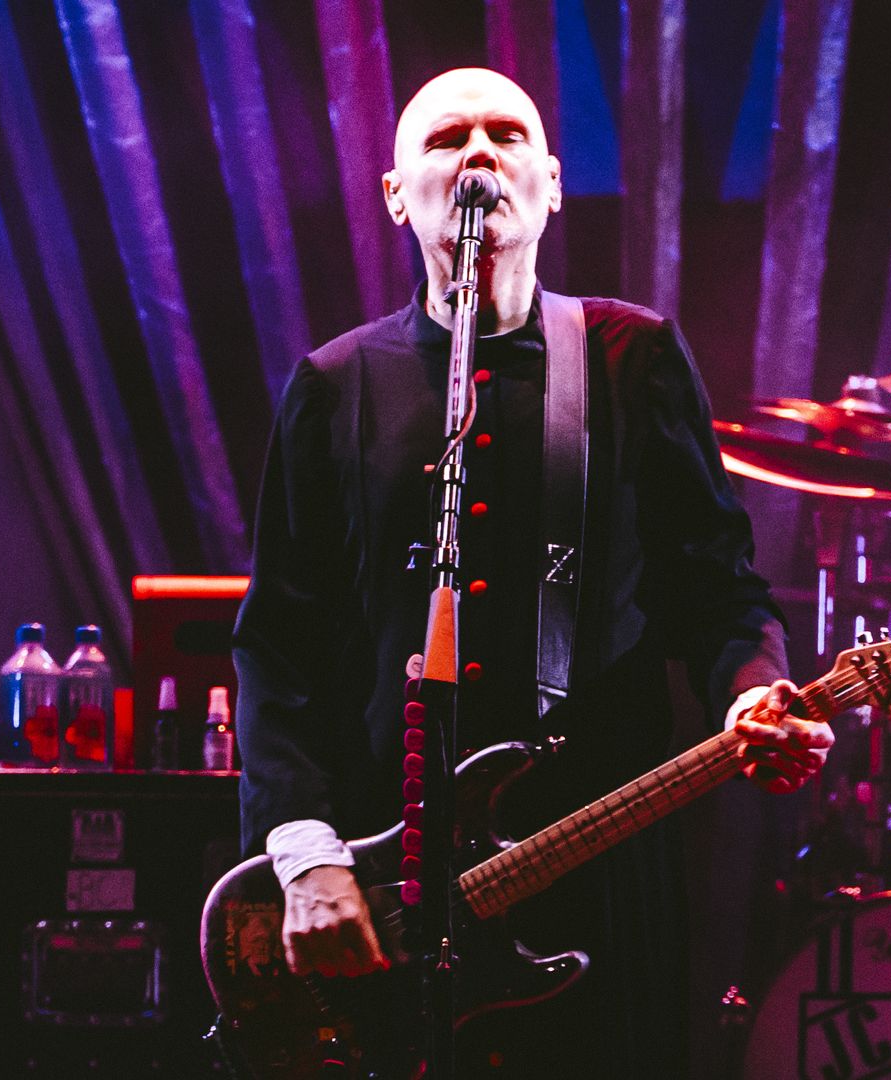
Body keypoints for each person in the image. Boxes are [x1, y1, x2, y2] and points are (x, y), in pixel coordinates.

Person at [232, 67, 834, 1075]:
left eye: (506, 135)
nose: (477, 154)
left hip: (595, 860)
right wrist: (304, 852)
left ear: (551, 185)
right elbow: (277, 646)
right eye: (446, 138)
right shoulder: (334, 386)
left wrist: (753, 690)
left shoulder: (630, 357)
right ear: (395, 195)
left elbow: (718, 588)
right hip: (387, 877)